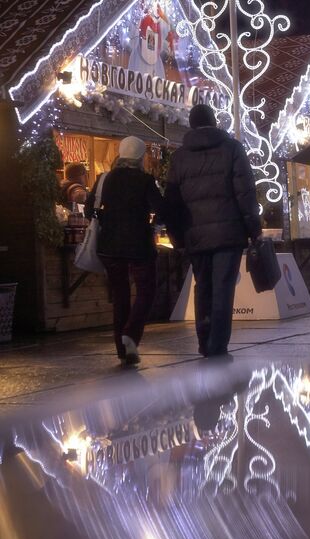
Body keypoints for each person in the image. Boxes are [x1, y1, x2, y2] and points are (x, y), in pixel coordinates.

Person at [165, 104, 262, 358]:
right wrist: (254, 228)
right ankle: (218, 344)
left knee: (203, 286)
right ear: (214, 121)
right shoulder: (231, 148)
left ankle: (204, 340)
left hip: (195, 234)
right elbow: (245, 192)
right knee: (223, 287)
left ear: (192, 124)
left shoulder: (179, 157)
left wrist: (177, 235)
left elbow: (172, 200)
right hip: (228, 232)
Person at [85, 136, 164, 368]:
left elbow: (90, 209)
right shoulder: (145, 181)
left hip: (109, 247)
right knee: (146, 291)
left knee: (120, 297)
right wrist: (154, 225)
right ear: (140, 157)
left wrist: (107, 220)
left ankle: (122, 351)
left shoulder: (104, 179)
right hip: (139, 245)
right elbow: (161, 209)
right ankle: (131, 334)